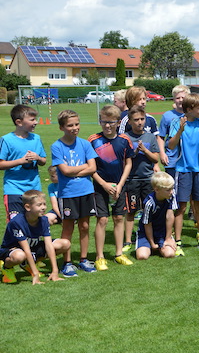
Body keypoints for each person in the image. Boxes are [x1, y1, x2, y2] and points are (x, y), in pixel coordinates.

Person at [167, 93, 199, 252]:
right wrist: (180, 131)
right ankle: (178, 242)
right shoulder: (177, 122)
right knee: (181, 207)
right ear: (189, 109)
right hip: (182, 170)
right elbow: (171, 146)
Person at [51, 109, 99, 277]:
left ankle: (84, 259)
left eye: (76, 124)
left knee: (85, 226)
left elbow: (93, 167)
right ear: (62, 127)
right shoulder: (57, 146)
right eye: (70, 125)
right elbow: (64, 171)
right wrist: (82, 168)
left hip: (86, 191)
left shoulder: (85, 144)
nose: (74, 128)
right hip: (68, 193)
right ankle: (67, 262)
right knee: (68, 228)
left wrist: (73, 171)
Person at [88, 105, 135, 270]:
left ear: (118, 122)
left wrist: (120, 185)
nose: (107, 126)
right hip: (99, 187)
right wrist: (104, 184)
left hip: (120, 186)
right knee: (102, 219)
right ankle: (100, 257)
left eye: (111, 122)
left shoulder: (124, 140)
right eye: (104, 122)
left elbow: (129, 163)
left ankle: (119, 253)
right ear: (100, 122)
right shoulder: (93, 140)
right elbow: (90, 167)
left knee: (118, 218)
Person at [0, 190, 68, 284]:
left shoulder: (44, 220)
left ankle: (26, 264)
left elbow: (49, 245)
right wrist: (35, 274)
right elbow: (26, 249)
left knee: (65, 244)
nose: (43, 208)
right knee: (20, 256)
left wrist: (55, 271)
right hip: (14, 250)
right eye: (39, 205)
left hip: (31, 247)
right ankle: (6, 267)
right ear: (27, 207)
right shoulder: (17, 222)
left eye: (44, 204)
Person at [122, 106, 160, 253]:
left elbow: (155, 158)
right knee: (131, 210)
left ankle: (148, 236)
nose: (139, 122)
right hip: (131, 179)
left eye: (142, 119)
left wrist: (145, 150)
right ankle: (127, 240)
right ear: (130, 121)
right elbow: (124, 159)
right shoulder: (126, 137)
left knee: (148, 210)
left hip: (148, 179)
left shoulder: (150, 137)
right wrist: (135, 152)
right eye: (136, 120)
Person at [0, 105, 47, 221]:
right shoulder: (7, 140)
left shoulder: (36, 138)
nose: (36, 122)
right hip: (14, 189)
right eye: (32, 120)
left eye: (35, 119)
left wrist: (38, 158)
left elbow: (44, 161)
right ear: (19, 122)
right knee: (15, 223)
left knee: (34, 222)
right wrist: (21, 161)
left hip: (34, 189)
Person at [135, 172, 178, 260]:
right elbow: (147, 224)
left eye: (172, 188)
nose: (171, 192)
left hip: (162, 232)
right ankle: (149, 246)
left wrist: (168, 238)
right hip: (146, 233)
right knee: (142, 256)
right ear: (157, 189)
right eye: (168, 190)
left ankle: (162, 244)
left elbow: (170, 217)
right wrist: (152, 243)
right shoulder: (149, 203)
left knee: (169, 254)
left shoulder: (171, 197)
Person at [158, 85, 189, 177]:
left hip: (188, 159)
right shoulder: (167, 116)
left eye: (183, 97)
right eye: (177, 98)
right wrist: (162, 153)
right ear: (174, 100)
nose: (180, 100)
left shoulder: (193, 115)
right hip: (172, 159)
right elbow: (161, 136)